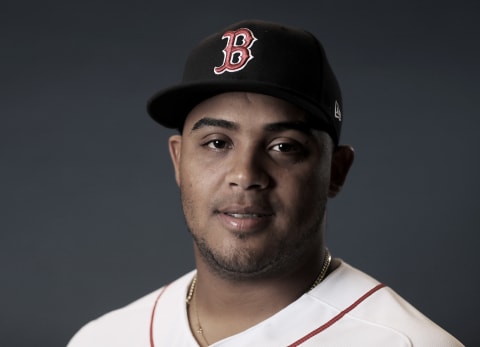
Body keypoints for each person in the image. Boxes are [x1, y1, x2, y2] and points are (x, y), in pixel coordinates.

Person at [68, 20, 463, 346]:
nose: (245, 175)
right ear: (178, 159)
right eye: (217, 143)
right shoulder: (103, 338)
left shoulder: (407, 342)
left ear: (336, 171)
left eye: (283, 146)